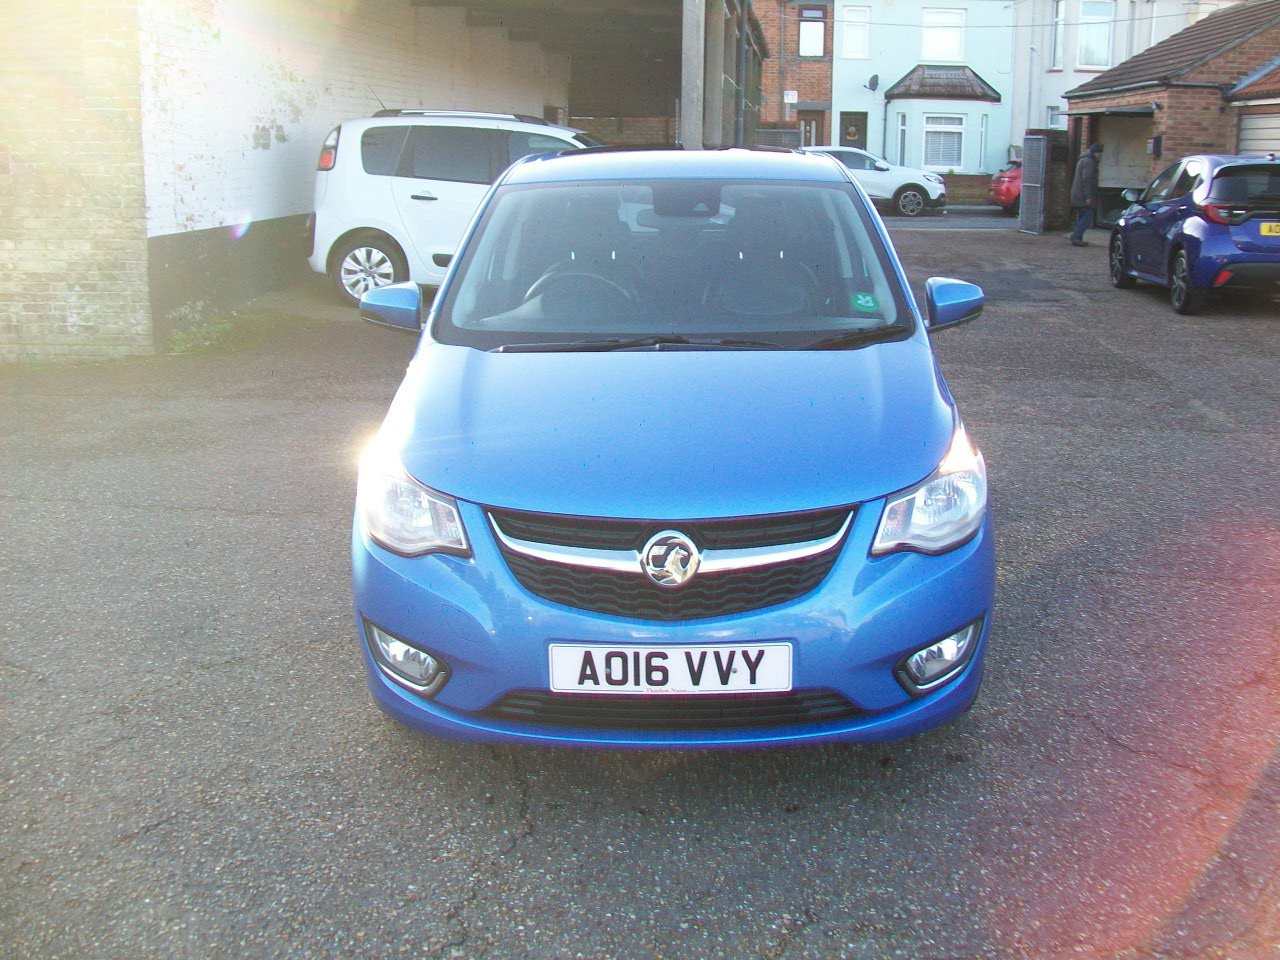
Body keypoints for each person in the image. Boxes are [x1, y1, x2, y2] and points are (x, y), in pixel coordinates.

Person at [1069, 143, 1103, 246]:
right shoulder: (1089, 162)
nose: (1100, 157)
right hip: (1082, 195)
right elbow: (1087, 180)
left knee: (1082, 215)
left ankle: (1077, 236)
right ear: (1095, 153)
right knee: (1088, 215)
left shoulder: (1083, 160)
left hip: (1077, 194)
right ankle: (1076, 236)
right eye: (1099, 154)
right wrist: (1088, 196)